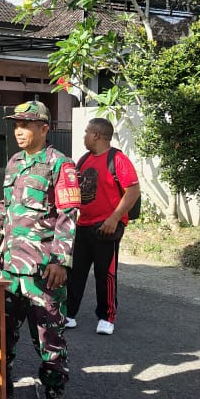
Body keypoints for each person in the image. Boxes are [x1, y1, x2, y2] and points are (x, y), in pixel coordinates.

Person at [0, 100, 80, 399]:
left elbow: (69, 215)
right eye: (16, 125)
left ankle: (53, 395)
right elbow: (5, 207)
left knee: (48, 337)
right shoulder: (14, 162)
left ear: (44, 128)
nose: (19, 130)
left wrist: (61, 261)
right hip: (9, 267)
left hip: (42, 272)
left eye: (26, 124)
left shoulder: (60, 165)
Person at [66, 117, 141, 335]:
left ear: (96, 135)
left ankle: (107, 316)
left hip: (106, 226)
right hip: (83, 224)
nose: (84, 136)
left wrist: (114, 218)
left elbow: (133, 190)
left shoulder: (117, 159)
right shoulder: (84, 159)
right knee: (75, 271)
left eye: (87, 132)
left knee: (105, 273)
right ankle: (69, 314)